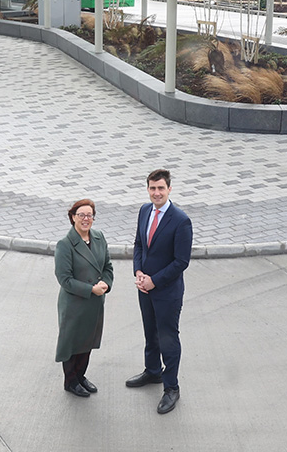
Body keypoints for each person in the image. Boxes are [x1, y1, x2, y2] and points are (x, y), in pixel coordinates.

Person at [126, 168, 193, 414]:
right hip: (145, 288)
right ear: (148, 189)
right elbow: (138, 245)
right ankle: (152, 371)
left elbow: (181, 261)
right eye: (152, 188)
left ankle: (171, 387)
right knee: (150, 333)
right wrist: (138, 272)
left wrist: (155, 281)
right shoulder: (145, 211)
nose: (156, 193)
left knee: (168, 338)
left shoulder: (180, 220)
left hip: (167, 292)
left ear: (169, 189)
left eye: (161, 188)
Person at [54, 199, 114, 398]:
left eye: (89, 215)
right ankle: (70, 381)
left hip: (95, 302)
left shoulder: (98, 237)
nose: (86, 219)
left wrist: (106, 284)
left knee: (88, 341)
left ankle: (81, 376)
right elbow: (65, 279)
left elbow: (107, 266)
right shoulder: (65, 244)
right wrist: (91, 289)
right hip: (75, 303)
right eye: (81, 215)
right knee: (72, 343)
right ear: (73, 217)